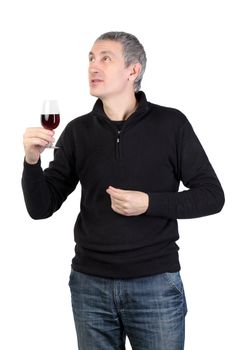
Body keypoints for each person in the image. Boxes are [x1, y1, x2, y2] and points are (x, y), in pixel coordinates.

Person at [22, 31, 225, 350]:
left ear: (134, 70)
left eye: (105, 58)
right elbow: (40, 207)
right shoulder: (77, 131)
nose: (93, 66)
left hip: (155, 285)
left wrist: (149, 203)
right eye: (90, 58)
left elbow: (212, 196)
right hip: (89, 286)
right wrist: (31, 161)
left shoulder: (171, 124)